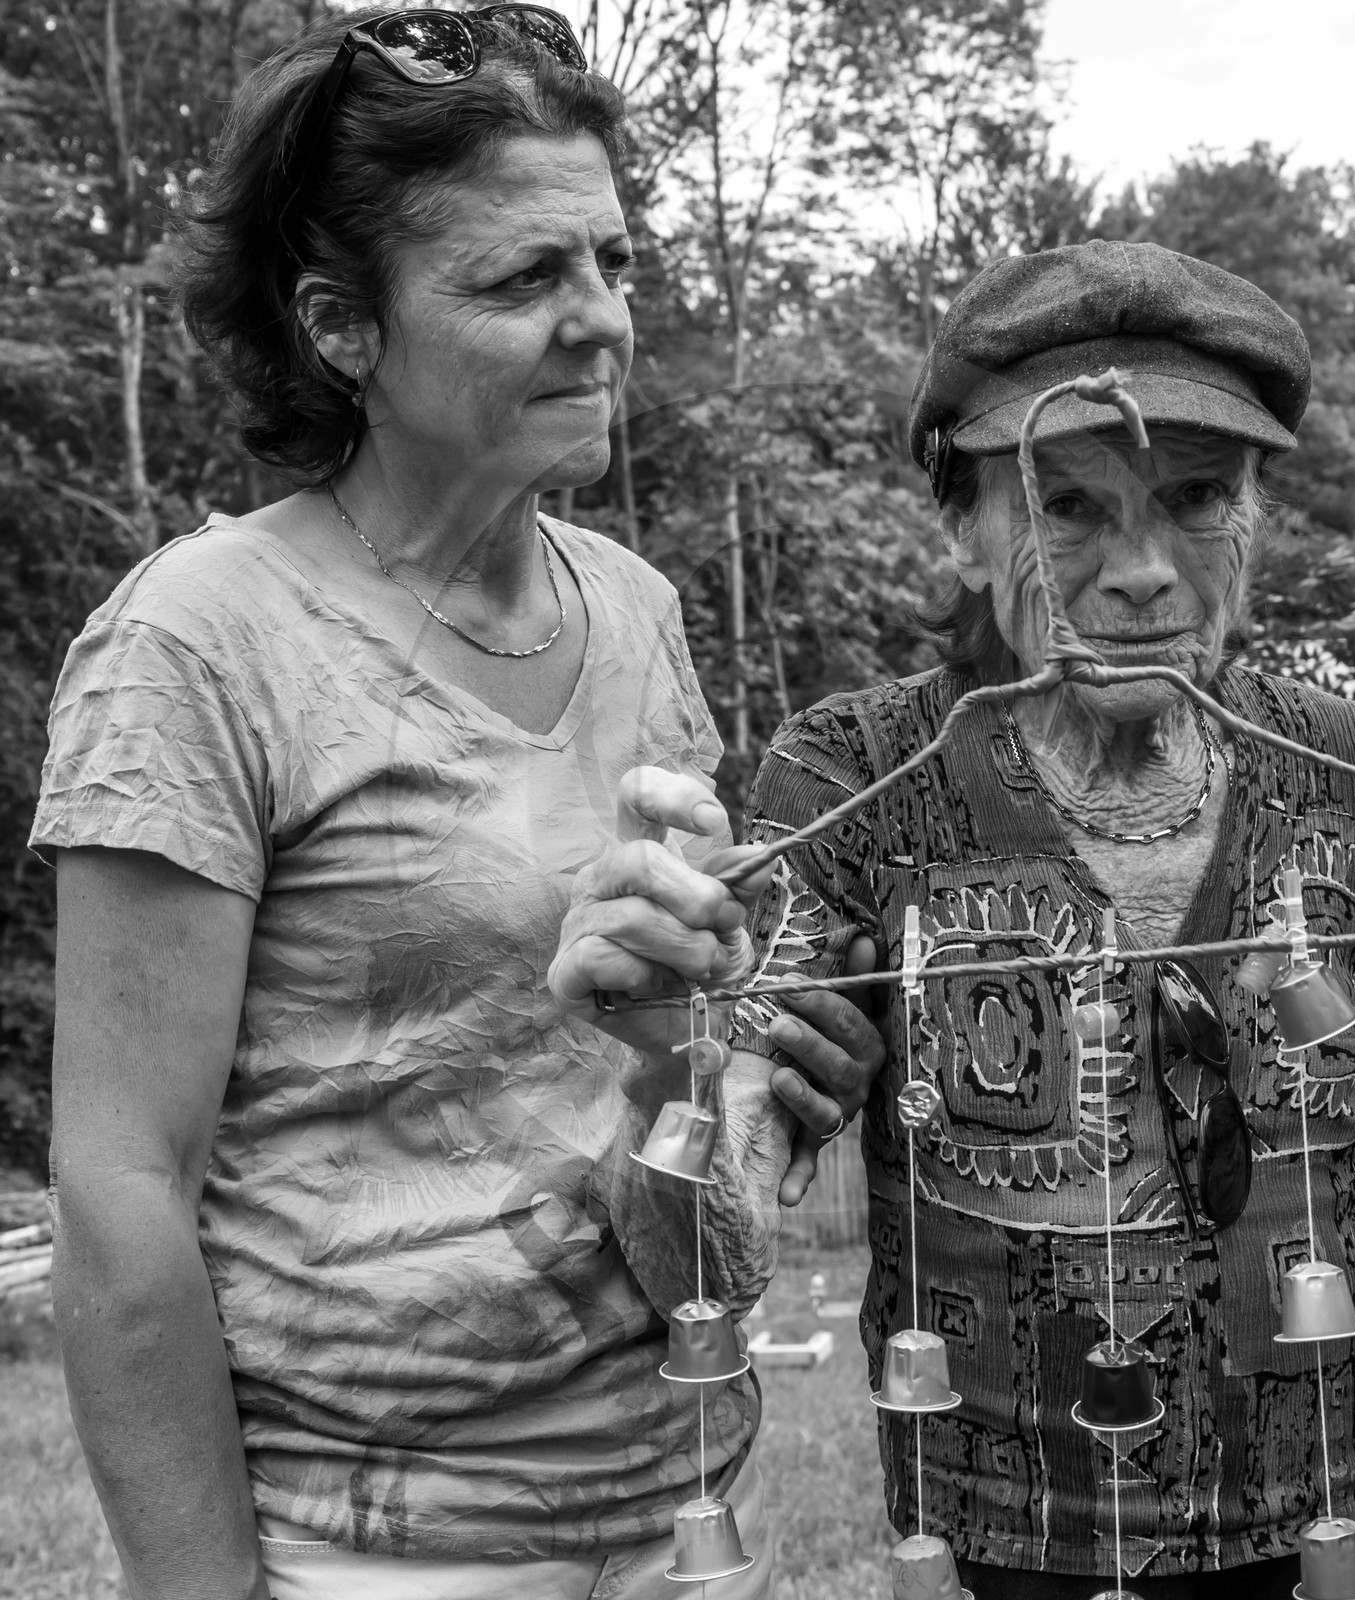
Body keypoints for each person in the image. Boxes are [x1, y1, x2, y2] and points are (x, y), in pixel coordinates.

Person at [32, 10, 878, 1599]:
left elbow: (658, 1091)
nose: (602, 322)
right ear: (342, 326)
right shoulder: (200, 642)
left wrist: (741, 1057)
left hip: (679, 1516)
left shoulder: (633, 610)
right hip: (371, 1552)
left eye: (613, 263)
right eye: (520, 279)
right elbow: (120, 1192)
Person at [721, 242, 1355, 1598]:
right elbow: (739, 1144)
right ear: (966, 527)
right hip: (1025, 1536)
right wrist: (702, 1091)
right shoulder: (856, 782)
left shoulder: (1346, 769)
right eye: (1067, 506)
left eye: (1198, 498)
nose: (1143, 570)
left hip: (1353, 1494)